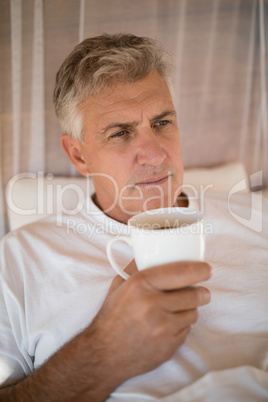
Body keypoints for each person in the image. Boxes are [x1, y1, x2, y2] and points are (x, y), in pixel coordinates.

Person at [0, 33, 267, 402]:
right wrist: (101, 355)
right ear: (78, 155)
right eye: (121, 133)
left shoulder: (259, 218)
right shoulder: (16, 262)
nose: (155, 155)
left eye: (161, 123)